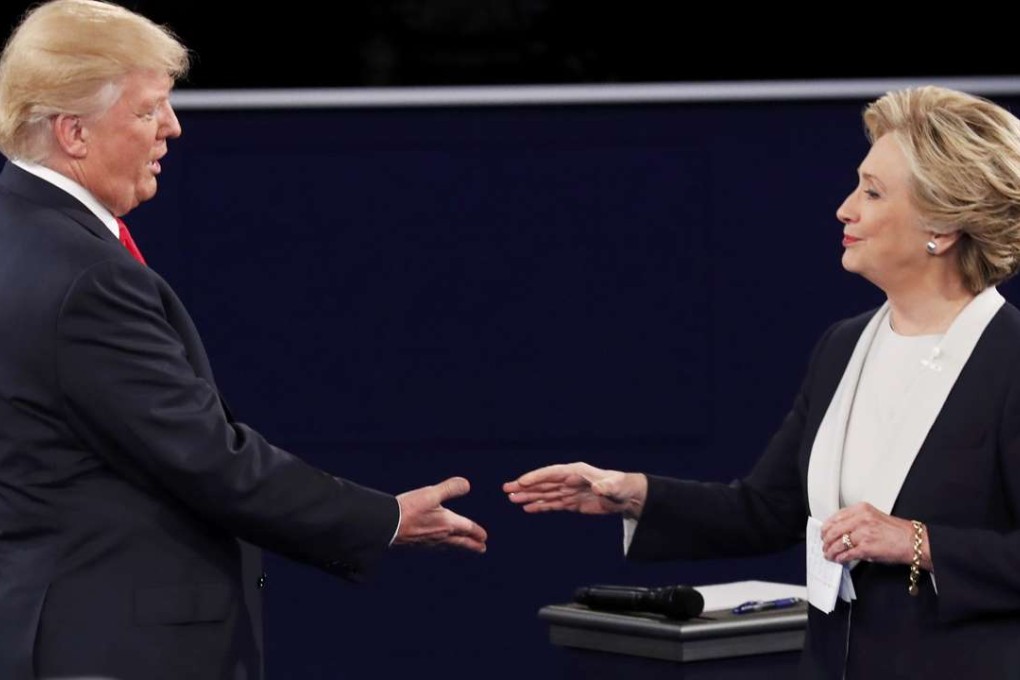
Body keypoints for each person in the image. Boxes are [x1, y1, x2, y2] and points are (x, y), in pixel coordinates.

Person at [0, 2, 487, 679]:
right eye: (148, 111)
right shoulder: (83, 278)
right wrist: (382, 519)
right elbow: (206, 457)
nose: (172, 128)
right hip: (115, 649)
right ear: (73, 133)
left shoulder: (22, 236)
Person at [504, 85, 1020, 679]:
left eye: (872, 192)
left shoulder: (1009, 361)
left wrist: (918, 543)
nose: (845, 209)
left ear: (944, 224)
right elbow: (768, 508)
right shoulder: (844, 345)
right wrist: (632, 491)